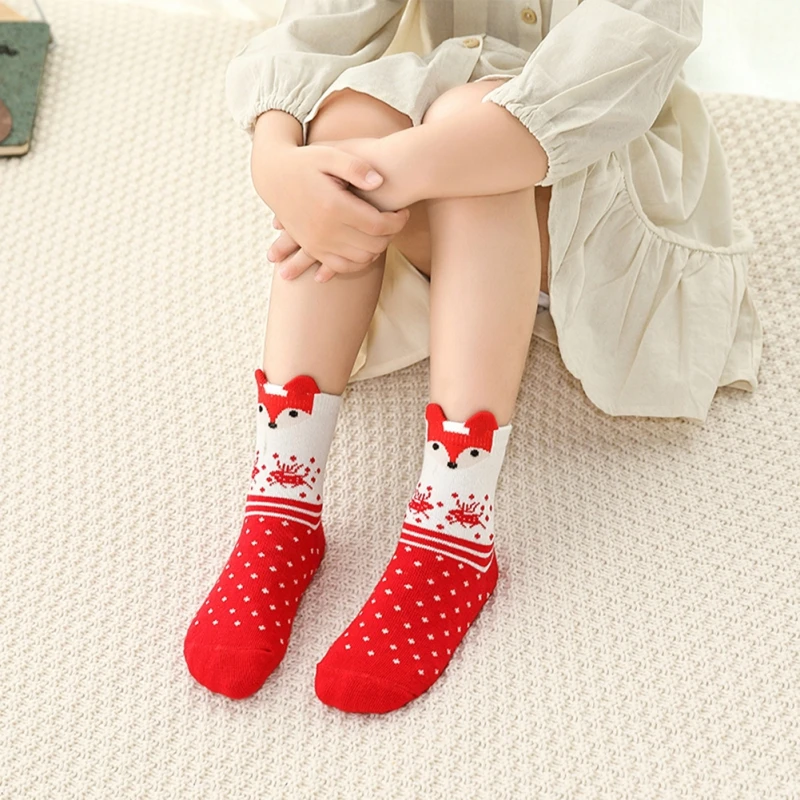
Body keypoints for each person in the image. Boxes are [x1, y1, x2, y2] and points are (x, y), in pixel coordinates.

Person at [183, 0, 764, 714]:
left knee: (474, 128)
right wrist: (277, 160)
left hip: (596, 183)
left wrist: (367, 180)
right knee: (349, 117)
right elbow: (317, 25)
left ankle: (454, 528)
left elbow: (619, 60)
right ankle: (282, 503)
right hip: (439, 159)